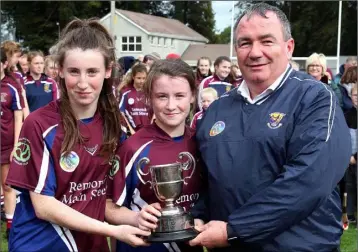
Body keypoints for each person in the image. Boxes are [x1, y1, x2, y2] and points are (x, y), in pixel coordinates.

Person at [189, 3, 351, 252]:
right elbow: (209, 180)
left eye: (266, 41)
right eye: (245, 43)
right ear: (236, 50)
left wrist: (234, 230)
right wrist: (197, 214)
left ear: (288, 48)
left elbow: (306, 184)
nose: (255, 52)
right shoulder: (217, 110)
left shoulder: (316, 99)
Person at [6, 18, 149, 252]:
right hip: (42, 245)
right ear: (60, 70)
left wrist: (139, 219)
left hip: (91, 243)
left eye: (92, 71)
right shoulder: (39, 124)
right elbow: (43, 206)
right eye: (74, 71)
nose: (83, 83)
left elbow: (101, 198)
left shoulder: (114, 126)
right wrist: (113, 231)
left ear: (108, 71)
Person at [106, 59, 204, 252]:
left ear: (192, 96)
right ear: (148, 98)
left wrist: (201, 217)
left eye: (179, 96)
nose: (171, 105)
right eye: (161, 96)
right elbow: (107, 206)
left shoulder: (202, 143)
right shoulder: (132, 148)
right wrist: (135, 218)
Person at [1, 48, 23, 239]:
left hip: (6, 145)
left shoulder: (11, 86)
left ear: (4, 64)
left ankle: (10, 224)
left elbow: (18, 118)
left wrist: (16, 146)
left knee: (8, 186)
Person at [118, 63, 151, 134]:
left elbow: (154, 112)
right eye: (139, 78)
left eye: (144, 78)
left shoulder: (149, 92)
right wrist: (130, 129)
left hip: (148, 131)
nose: (141, 81)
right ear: (133, 77)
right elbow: (121, 112)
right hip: (133, 131)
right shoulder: (126, 93)